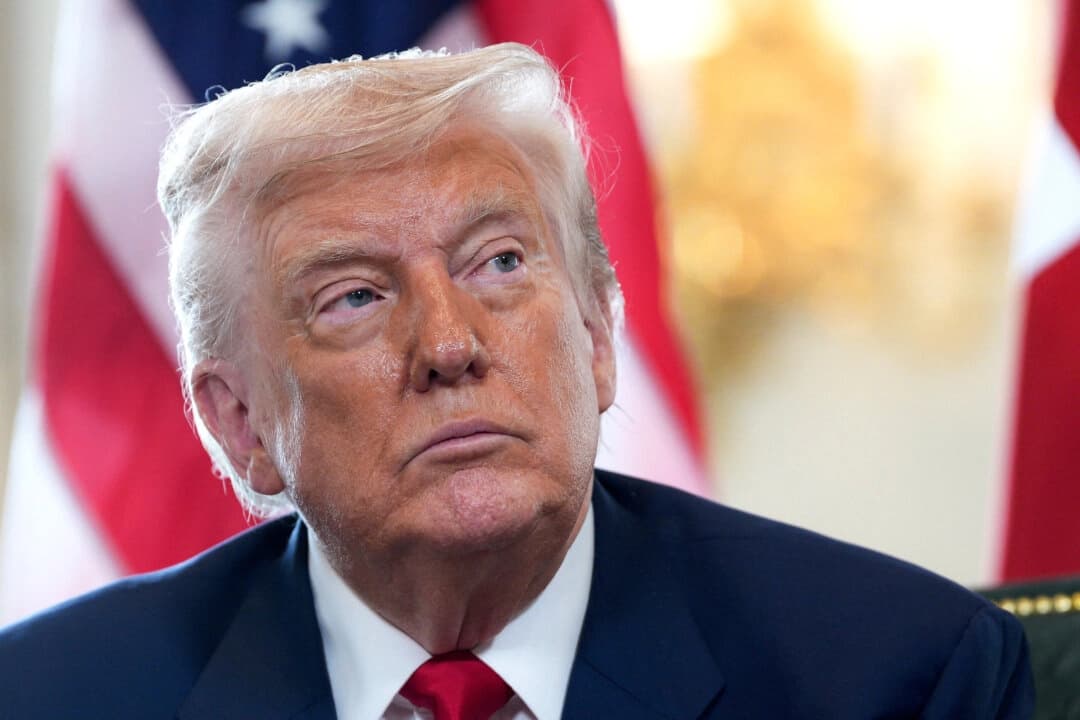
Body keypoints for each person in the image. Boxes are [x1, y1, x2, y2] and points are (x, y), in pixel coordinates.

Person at [0, 43, 1031, 719]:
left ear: (594, 336)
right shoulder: (56, 697)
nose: (450, 344)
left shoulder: (895, 678)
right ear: (238, 422)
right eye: (354, 296)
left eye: (500, 264)